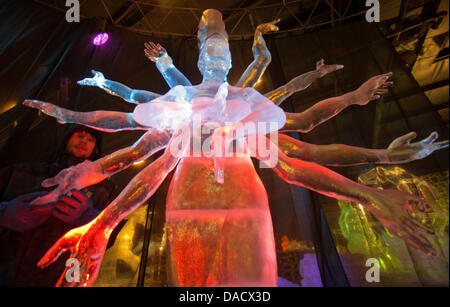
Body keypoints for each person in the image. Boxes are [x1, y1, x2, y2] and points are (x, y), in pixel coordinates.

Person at [0, 125, 117, 286]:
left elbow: (110, 237)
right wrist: (4, 212)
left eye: (91, 140)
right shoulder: (23, 171)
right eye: (79, 135)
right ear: (65, 140)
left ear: (95, 149)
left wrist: (89, 218)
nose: (84, 141)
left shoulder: (103, 189)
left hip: (56, 277)